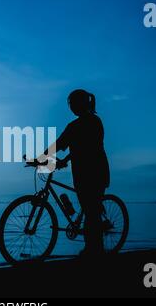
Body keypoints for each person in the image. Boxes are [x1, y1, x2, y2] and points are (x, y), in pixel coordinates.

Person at [41, 89, 110, 256]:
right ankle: (93, 248)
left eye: (73, 103)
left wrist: (50, 157)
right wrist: (44, 157)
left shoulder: (92, 122)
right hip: (81, 172)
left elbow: (88, 147)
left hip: (95, 172)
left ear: (82, 103)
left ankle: (94, 250)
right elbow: (62, 143)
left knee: (91, 210)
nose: (71, 107)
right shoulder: (76, 126)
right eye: (70, 104)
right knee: (89, 208)